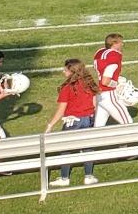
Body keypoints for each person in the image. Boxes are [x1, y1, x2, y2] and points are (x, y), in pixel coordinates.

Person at [43, 59, 101, 187]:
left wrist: (50, 125)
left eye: (65, 70)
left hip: (73, 121)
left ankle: (64, 178)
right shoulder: (89, 83)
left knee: (66, 149)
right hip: (88, 118)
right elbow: (94, 104)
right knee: (87, 147)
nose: (63, 71)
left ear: (72, 71)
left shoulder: (67, 88)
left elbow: (61, 110)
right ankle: (88, 176)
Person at [92, 34, 132, 127]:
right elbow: (105, 81)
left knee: (98, 128)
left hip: (99, 95)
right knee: (128, 123)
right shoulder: (114, 56)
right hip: (109, 95)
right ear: (114, 43)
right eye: (120, 42)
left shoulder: (100, 52)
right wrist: (116, 84)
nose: (122, 44)